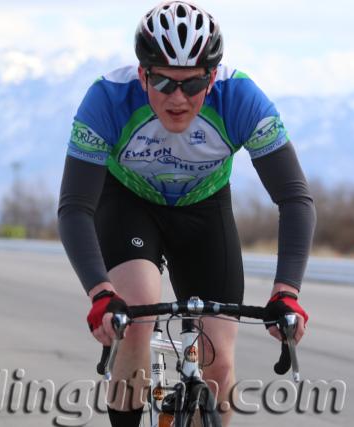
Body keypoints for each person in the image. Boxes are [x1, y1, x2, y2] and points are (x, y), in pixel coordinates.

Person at [57, 2, 316, 425]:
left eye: (193, 83)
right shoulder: (106, 98)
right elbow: (74, 207)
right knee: (136, 315)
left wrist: (287, 292)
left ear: (212, 77)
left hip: (205, 210)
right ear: (142, 75)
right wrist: (101, 294)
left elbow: (294, 198)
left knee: (219, 365)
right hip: (129, 206)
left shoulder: (241, 99)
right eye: (162, 81)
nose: (178, 98)